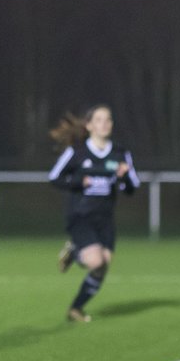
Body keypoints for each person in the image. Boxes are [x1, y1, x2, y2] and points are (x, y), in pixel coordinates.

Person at [48, 105, 140, 322]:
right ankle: (76, 250)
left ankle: (75, 309)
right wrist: (79, 181)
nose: (104, 124)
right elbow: (54, 177)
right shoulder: (77, 152)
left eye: (108, 120)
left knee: (102, 266)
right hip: (80, 216)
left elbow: (131, 188)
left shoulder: (120, 154)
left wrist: (124, 177)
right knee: (96, 262)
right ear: (89, 125)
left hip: (105, 219)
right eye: (98, 120)